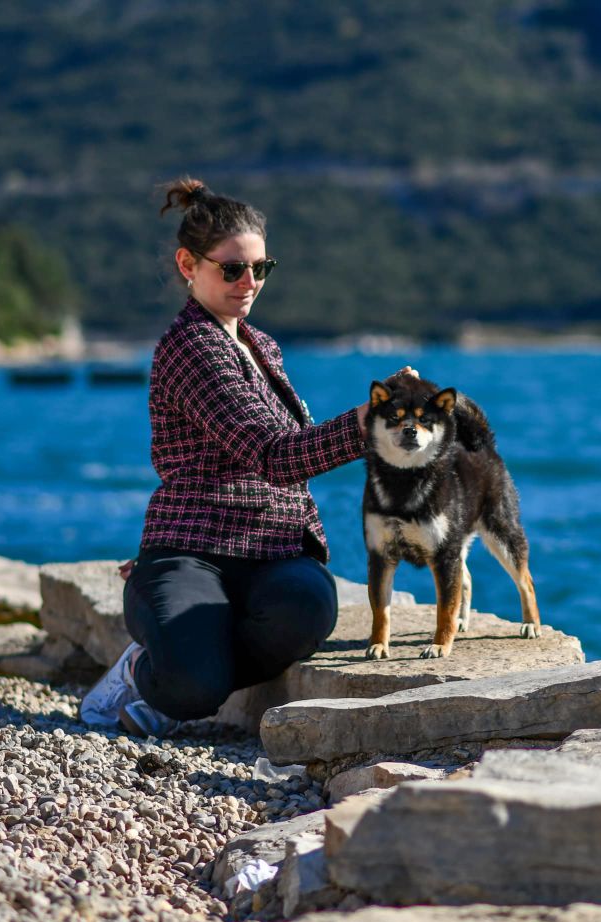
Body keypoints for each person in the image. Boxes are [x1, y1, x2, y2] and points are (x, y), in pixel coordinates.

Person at [80, 177, 414, 737]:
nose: (249, 282)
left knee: (307, 612)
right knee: (193, 688)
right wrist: (369, 419)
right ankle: (143, 670)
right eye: (231, 269)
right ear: (189, 265)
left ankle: (195, 641)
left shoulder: (263, 346)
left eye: (261, 268)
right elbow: (273, 455)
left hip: (276, 548)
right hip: (192, 548)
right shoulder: (191, 347)